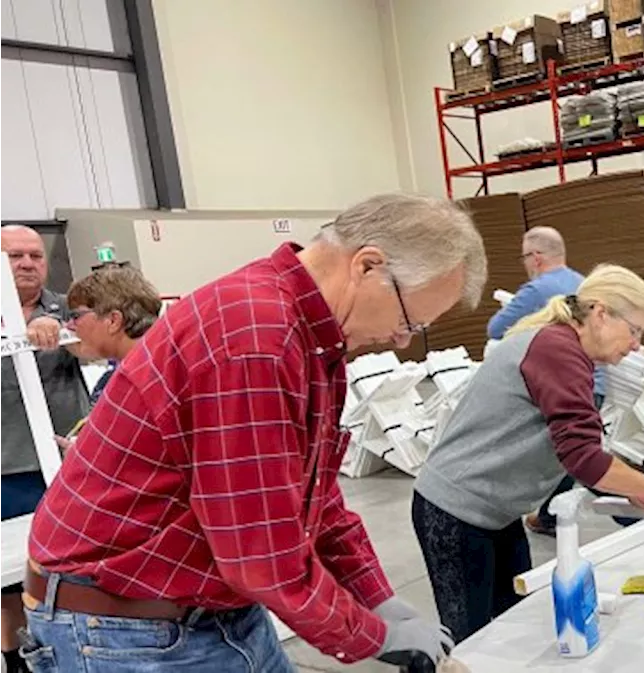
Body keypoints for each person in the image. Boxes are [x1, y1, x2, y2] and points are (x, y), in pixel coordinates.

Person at [19, 194, 488, 672]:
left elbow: (314, 497)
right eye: (411, 321)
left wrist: (376, 596)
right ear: (367, 266)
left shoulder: (311, 339)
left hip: (210, 611)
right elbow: (261, 556)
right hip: (126, 630)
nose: (402, 339)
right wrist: (371, 634)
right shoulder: (255, 338)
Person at [412, 263, 644, 643]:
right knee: (470, 638)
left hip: (496, 510)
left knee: (512, 621)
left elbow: (577, 450)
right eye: (633, 330)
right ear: (600, 313)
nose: (636, 344)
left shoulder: (564, 347)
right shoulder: (557, 350)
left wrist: (630, 488)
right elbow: (583, 458)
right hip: (456, 510)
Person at [0, 225, 89, 673]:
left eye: (35, 255)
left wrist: (60, 326)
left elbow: (96, 345)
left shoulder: (68, 306)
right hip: (7, 468)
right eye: (16, 256)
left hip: (68, 466)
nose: (28, 264)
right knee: (8, 578)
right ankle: (15, 659)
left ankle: (72, 651)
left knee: (70, 569)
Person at [488, 227, 614, 535]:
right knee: (575, 452)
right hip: (595, 381)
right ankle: (549, 515)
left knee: (571, 457)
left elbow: (495, 329)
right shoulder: (584, 283)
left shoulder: (536, 291)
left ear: (536, 257)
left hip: (559, 385)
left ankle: (638, 506)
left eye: (524, 257)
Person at [51, 265, 164, 453]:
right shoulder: (116, 378)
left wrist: (94, 456)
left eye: (76, 316)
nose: (70, 326)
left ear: (113, 320)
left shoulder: (153, 378)